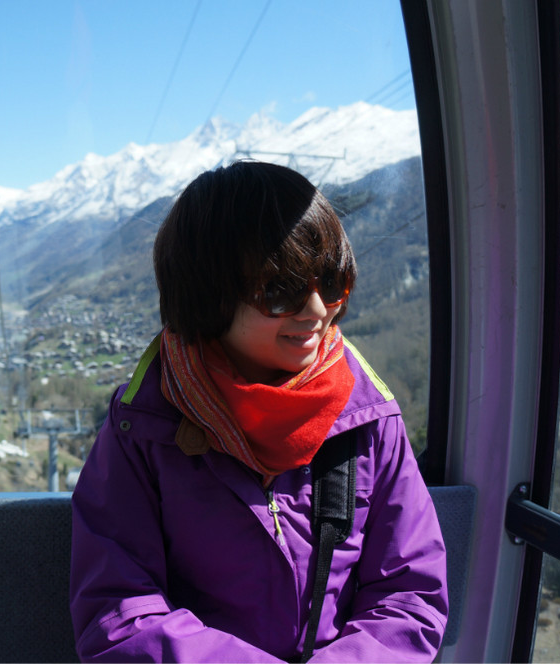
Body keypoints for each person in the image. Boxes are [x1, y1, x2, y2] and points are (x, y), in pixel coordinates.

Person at [69, 161, 448, 662]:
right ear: (209, 293)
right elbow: (119, 611)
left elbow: (410, 594)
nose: (317, 311)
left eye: (331, 283)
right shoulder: (143, 429)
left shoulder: (369, 419)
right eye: (281, 291)